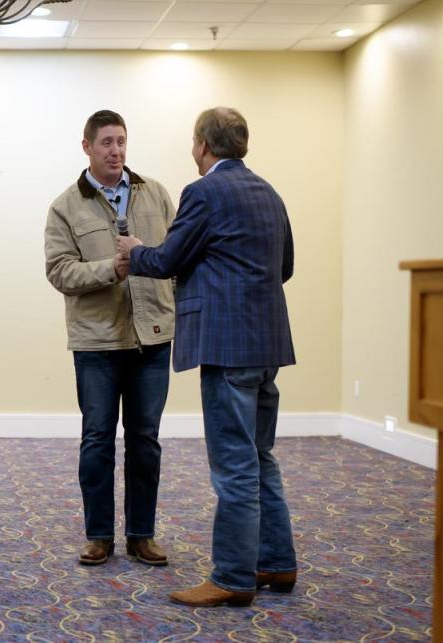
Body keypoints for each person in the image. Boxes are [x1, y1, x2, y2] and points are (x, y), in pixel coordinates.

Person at [116, 106, 297, 607]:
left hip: (226, 345)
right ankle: (276, 564)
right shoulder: (269, 192)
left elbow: (168, 259)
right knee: (261, 458)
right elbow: (285, 266)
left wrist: (134, 250)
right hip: (268, 343)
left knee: (235, 464)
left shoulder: (204, 192)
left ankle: (234, 577)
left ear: (202, 145)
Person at [44, 110, 176, 567]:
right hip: (97, 343)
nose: (115, 150)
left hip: (153, 338)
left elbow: (178, 257)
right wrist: (111, 269)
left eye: (121, 141)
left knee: (146, 439)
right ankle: (99, 535)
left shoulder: (155, 194)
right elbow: (59, 271)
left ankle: (142, 534)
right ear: (87, 147)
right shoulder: (65, 206)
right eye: (106, 143)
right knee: (97, 439)